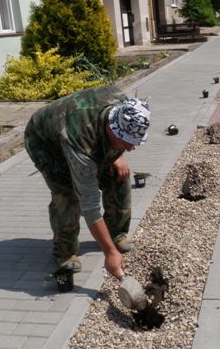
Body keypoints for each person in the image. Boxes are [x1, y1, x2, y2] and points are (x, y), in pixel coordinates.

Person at [24, 85, 150, 279]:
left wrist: (117, 155)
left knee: (119, 174)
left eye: (133, 143)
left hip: (83, 130)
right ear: (112, 129)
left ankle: (117, 235)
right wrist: (109, 254)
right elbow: (89, 205)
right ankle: (65, 252)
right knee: (67, 193)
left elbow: (116, 140)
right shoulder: (80, 141)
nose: (130, 148)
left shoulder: (124, 105)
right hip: (45, 142)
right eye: (126, 142)